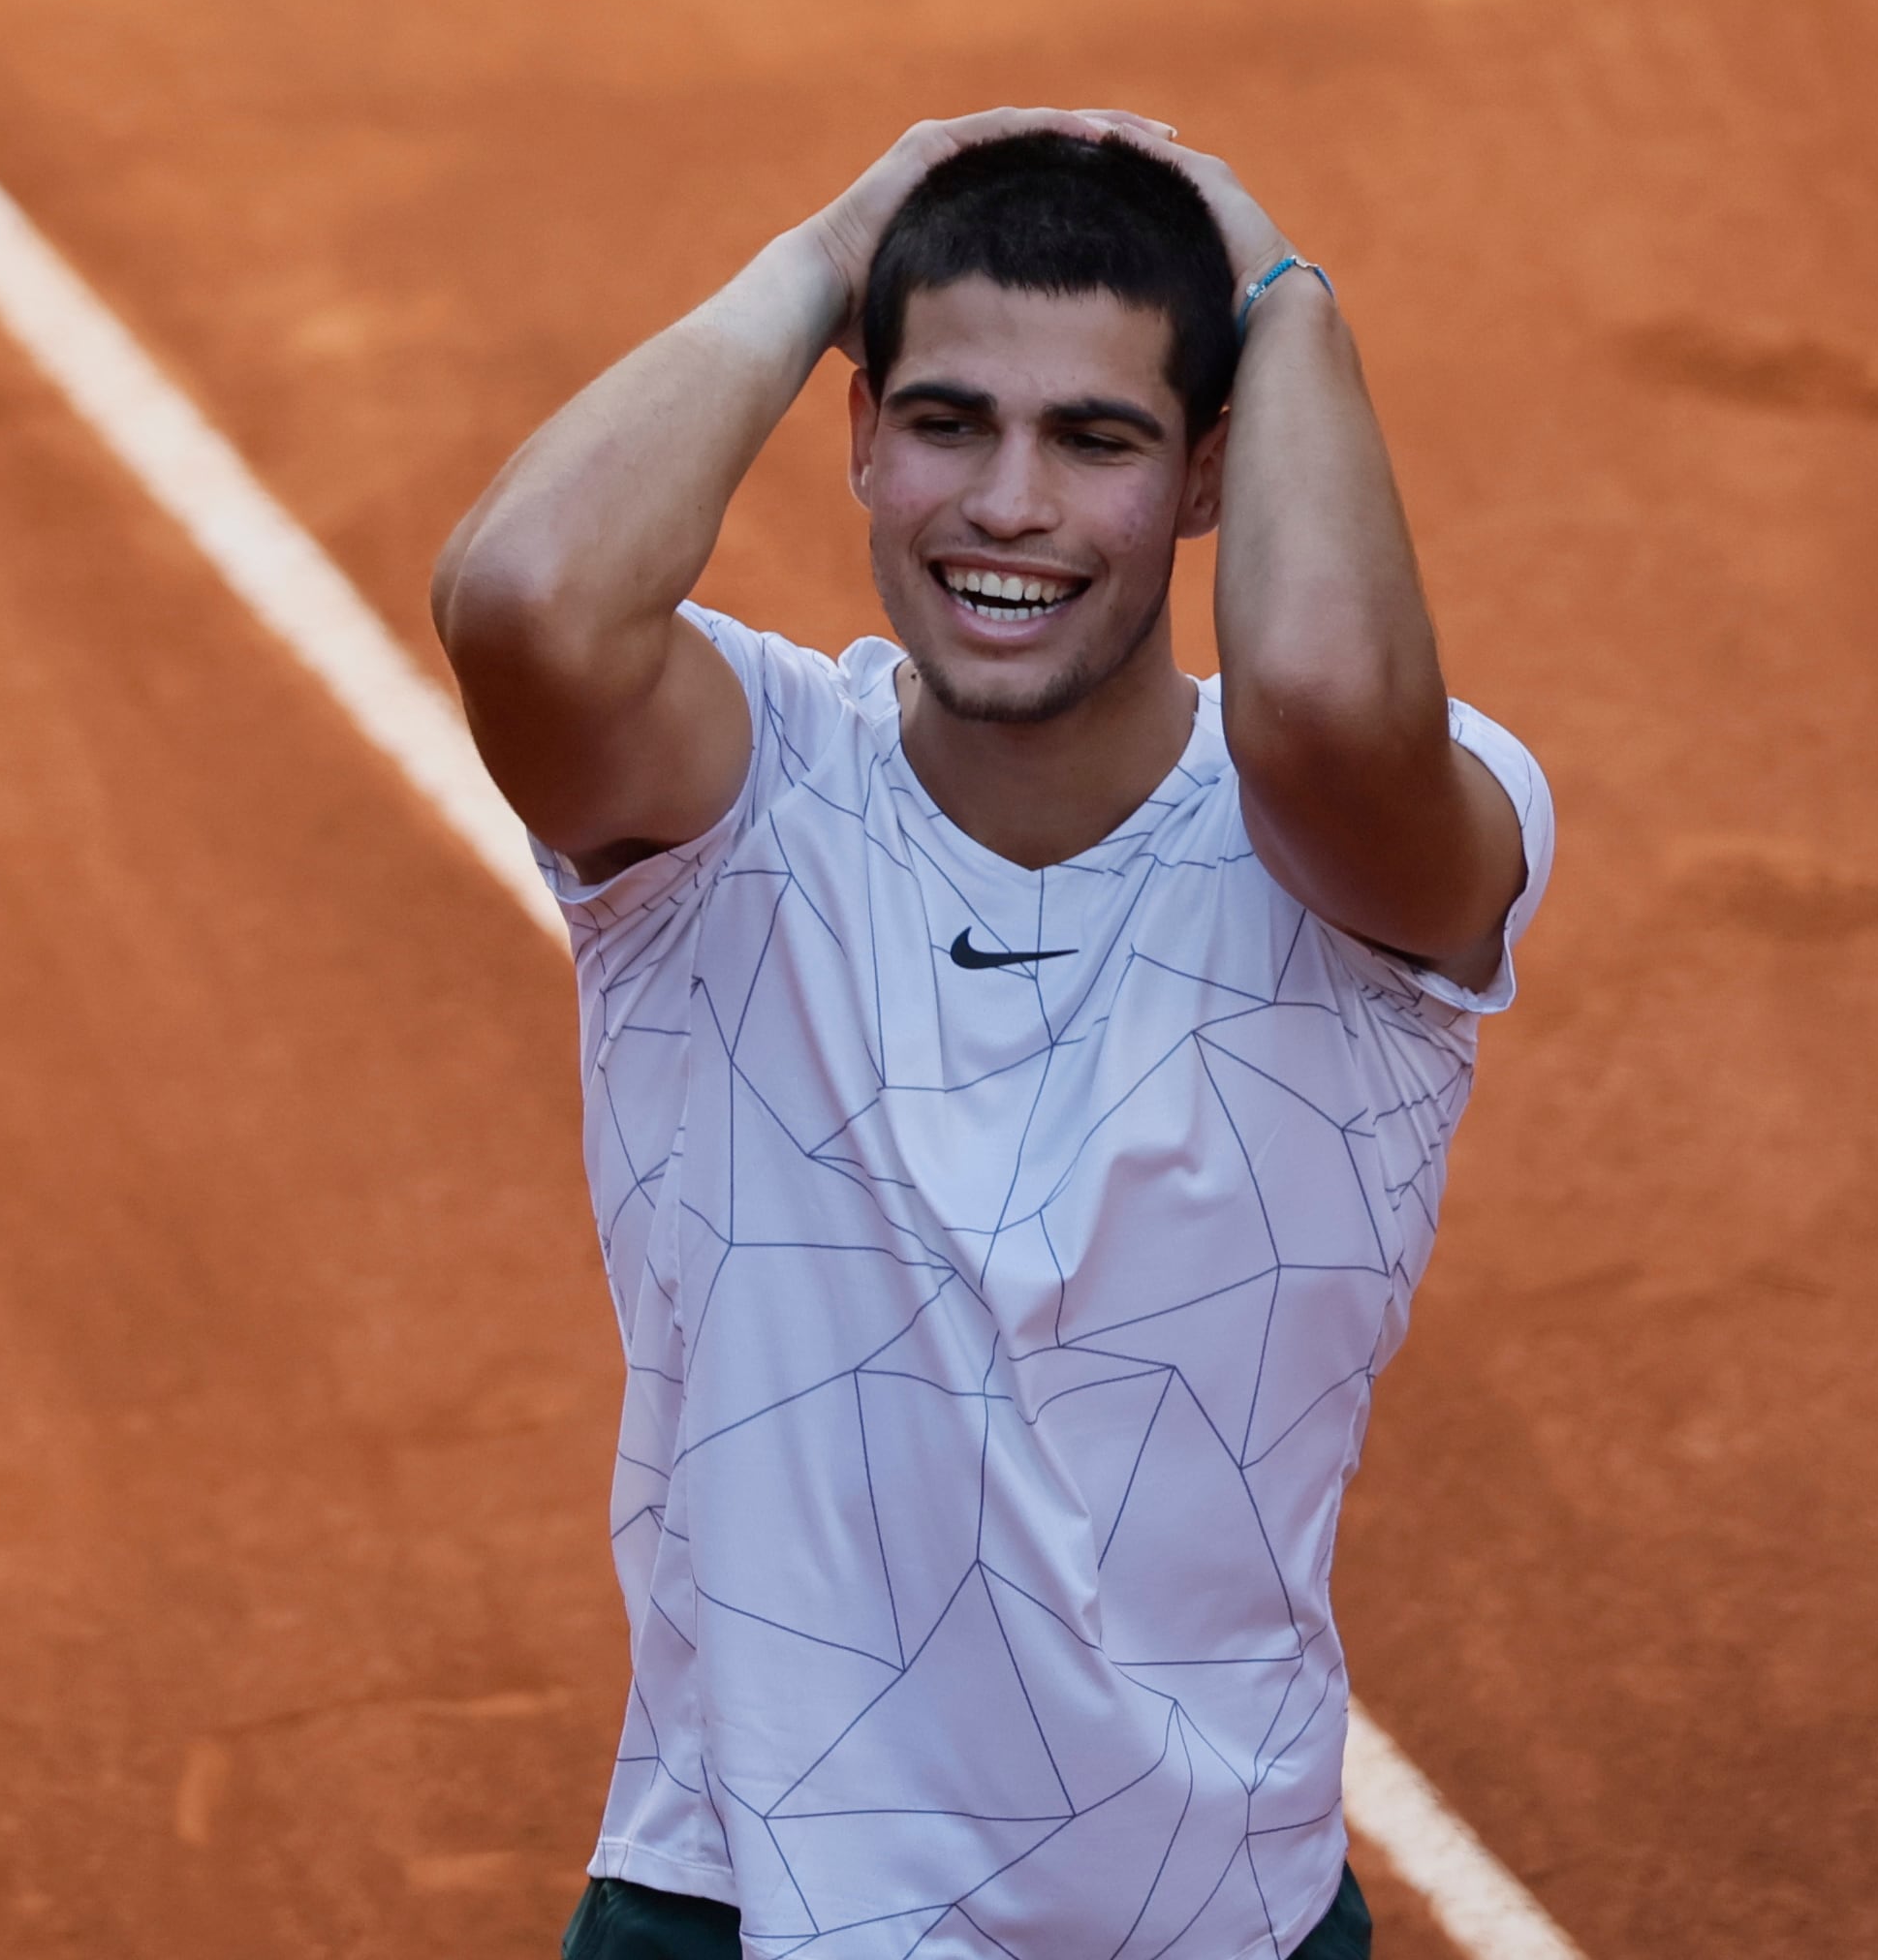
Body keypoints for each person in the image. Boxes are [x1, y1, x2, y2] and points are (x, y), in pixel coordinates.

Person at [432, 108, 1553, 1959]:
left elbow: (1328, 699)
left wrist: (1284, 304)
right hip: (735, 1904)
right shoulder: (743, 799)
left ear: (1209, 477)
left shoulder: (1381, 842)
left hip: (1211, 1924)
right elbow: (525, 600)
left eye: (1095, 439)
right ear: (858, 434)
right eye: (947, 420)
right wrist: (827, 250)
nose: (1009, 505)